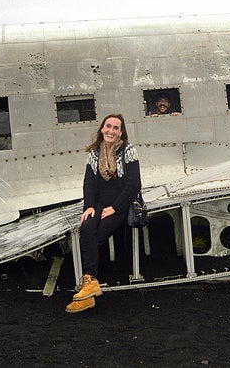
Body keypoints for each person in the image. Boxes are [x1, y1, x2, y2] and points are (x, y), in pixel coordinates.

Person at [66, 114, 142, 314]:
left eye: (116, 128)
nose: (111, 130)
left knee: (95, 237)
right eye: (108, 126)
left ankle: (88, 289)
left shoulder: (128, 150)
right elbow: (89, 182)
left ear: (120, 132)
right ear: (102, 129)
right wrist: (89, 206)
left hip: (120, 204)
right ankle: (90, 285)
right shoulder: (94, 152)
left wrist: (115, 208)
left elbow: (134, 184)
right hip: (98, 204)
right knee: (86, 229)